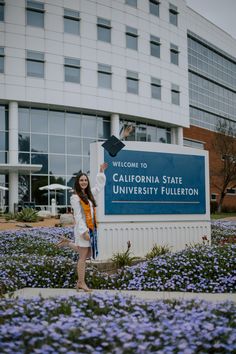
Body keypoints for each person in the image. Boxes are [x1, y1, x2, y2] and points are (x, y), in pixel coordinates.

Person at [57, 162, 108, 292]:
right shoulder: (75, 197)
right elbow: (78, 216)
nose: (84, 182)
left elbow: (99, 186)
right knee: (83, 257)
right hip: (83, 229)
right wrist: (84, 231)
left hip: (91, 228)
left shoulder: (89, 195)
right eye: (81, 180)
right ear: (77, 182)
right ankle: (81, 283)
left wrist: (101, 172)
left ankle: (68, 243)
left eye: (85, 180)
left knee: (88, 253)